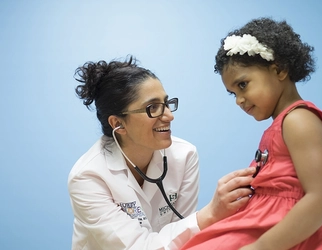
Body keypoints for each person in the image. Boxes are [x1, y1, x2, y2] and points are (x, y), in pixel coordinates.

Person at [180, 17, 322, 250]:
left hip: (285, 233)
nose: (239, 100)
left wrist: (261, 247)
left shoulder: (299, 120)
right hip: (263, 222)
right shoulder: (281, 124)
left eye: (243, 85)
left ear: (279, 70)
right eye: (232, 93)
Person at [67, 55, 256, 250]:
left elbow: (185, 239)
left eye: (166, 104)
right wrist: (211, 213)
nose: (169, 116)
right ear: (118, 124)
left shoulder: (184, 156)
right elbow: (139, 247)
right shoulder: (87, 177)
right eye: (153, 108)